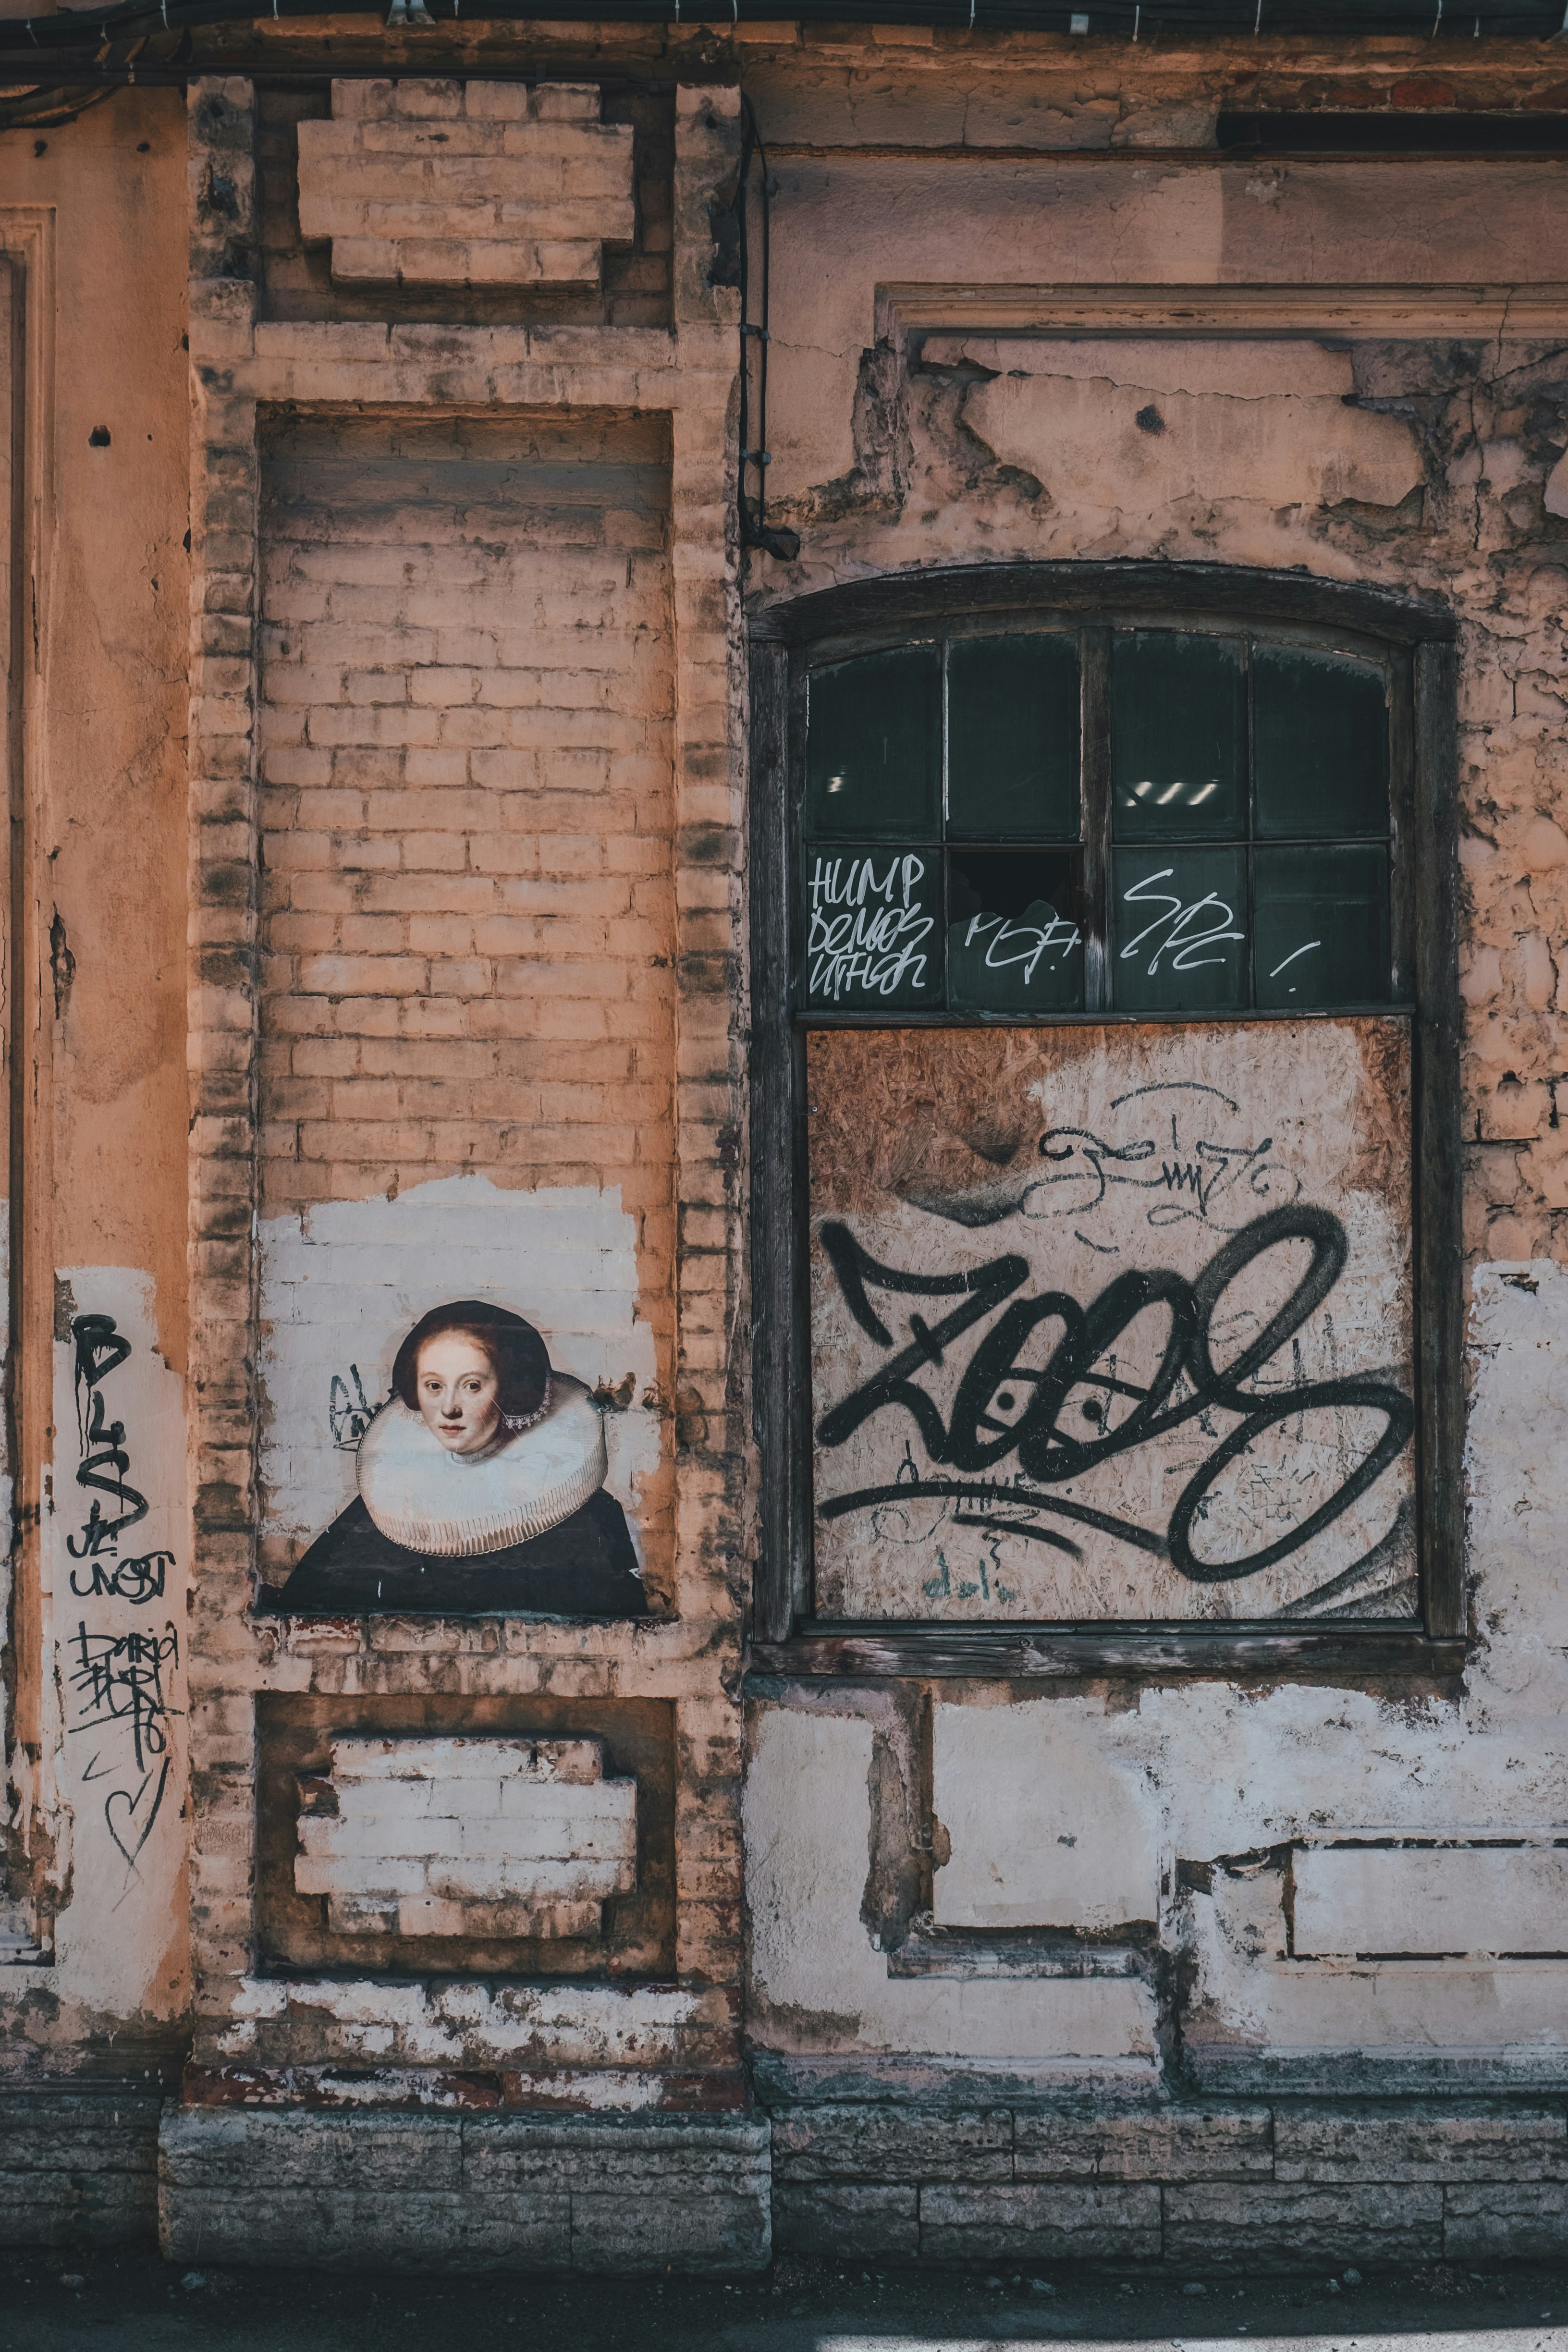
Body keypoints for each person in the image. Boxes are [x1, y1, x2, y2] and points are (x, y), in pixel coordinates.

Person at [262, 1300, 651, 1618]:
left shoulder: (590, 1520)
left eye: (472, 1386)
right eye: (433, 1386)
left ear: (512, 1388)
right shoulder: (379, 1513)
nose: (449, 1408)